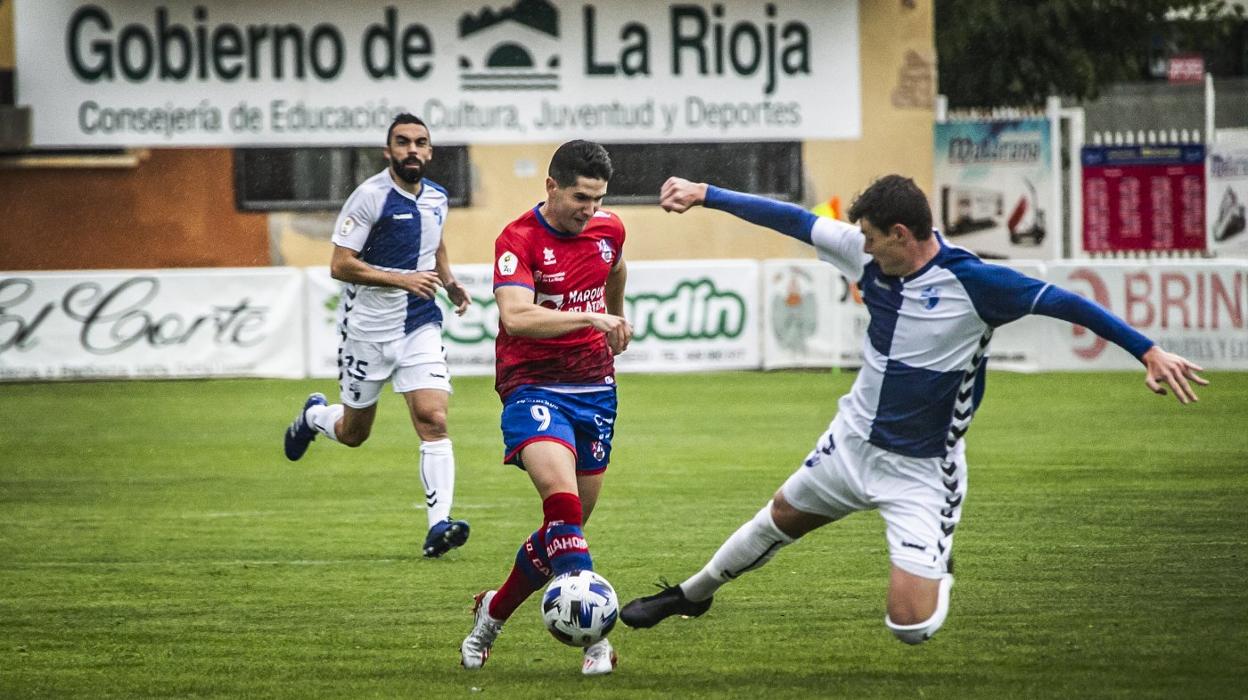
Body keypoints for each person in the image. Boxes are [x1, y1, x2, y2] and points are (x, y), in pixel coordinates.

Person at [619, 174, 1209, 644]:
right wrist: (707, 195)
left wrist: (1148, 350)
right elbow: (794, 220)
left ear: (902, 234)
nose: (863, 247)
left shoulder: (975, 283)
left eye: (873, 237)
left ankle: (939, 561)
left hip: (923, 470)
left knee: (911, 628)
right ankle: (691, 594)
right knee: (776, 518)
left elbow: (1067, 303)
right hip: (851, 442)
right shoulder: (867, 253)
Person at [459, 140, 632, 676]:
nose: (591, 210)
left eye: (599, 199)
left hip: (594, 389)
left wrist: (616, 318)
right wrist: (592, 320)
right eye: (581, 197)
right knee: (563, 510)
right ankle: (596, 641)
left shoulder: (610, 230)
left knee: (567, 528)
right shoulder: (518, 239)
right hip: (531, 386)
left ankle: (492, 612)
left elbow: (616, 269)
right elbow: (516, 316)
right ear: (552, 186)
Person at [283, 113, 474, 559]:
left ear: (429, 151)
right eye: (402, 142)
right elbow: (339, 264)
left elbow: (435, 242)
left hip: (419, 324)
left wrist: (448, 282)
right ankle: (314, 416)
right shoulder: (369, 197)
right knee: (354, 433)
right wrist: (403, 279)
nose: (412, 150)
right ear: (388, 151)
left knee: (434, 419)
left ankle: (438, 526)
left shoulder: (438, 198)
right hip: (367, 332)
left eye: (420, 142)